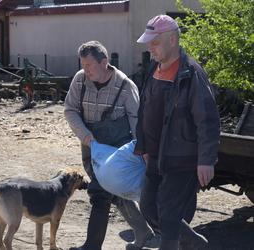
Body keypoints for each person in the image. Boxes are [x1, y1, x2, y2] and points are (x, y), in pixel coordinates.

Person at [134, 15, 220, 250]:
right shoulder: (153, 67)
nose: (150, 48)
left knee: (169, 216)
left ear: (172, 39)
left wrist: (206, 160)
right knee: (149, 208)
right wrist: (142, 146)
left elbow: (208, 120)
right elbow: (145, 109)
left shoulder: (191, 73)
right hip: (155, 155)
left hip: (181, 157)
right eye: (149, 43)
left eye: (155, 42)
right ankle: (193, 242)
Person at [64, 40, 153, 250]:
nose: (84, 70)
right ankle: (142, 230)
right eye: (82, 65)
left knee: (99, 193)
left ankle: (92, 246)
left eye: (89, 66)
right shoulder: (80, 80)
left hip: (117, 150)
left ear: (104, 62)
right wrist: (86, 136)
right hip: (91, 145)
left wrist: (143, 152)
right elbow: (70, 110)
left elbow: (137, 122)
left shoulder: (125, 86)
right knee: (114, 191)